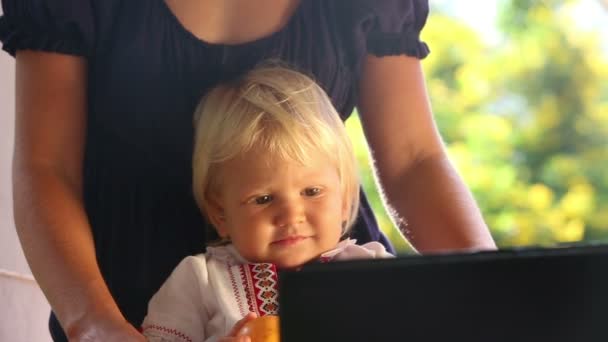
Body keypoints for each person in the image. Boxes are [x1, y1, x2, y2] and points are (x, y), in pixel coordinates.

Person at [0, 0, 496, 340]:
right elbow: (47, 168)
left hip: (337, 302)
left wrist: (501, 295)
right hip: (120, 305)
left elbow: (413, 159)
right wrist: (93, 324)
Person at [142, 63, 394, 342]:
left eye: (311, 191)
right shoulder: (200, 280)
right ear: (220, 214)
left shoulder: (374, 271)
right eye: (263, 199)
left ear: (345, 200)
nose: (291, 215)